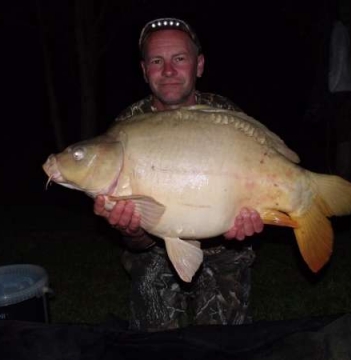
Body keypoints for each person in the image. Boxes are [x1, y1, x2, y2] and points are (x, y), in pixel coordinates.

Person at [94, 17, 264, 331]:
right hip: (156, 248)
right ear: (145, 71)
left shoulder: (226, 116)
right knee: (155, 342)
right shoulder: (127, 126)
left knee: (223, 342)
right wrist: (132, 231)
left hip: (223, 248)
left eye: (179, 59)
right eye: (157, 61)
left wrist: (252, 221)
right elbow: (138, 243)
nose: (169, 70)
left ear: (198, 66)